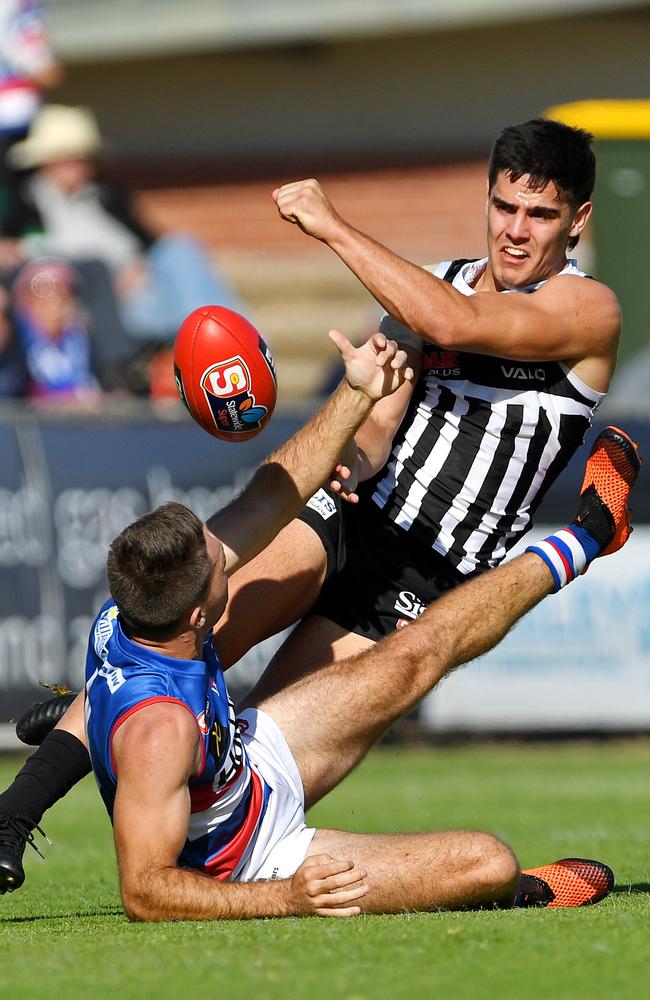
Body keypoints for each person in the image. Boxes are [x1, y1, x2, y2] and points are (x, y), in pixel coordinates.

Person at [3, 421, 639, 917]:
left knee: (410, 656)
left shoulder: (124, 621)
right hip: (253, 862)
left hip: (247, 768)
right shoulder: (162, 728)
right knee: (488, 863)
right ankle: (522, 892)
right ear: (198, 614)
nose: (231, 560)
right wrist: (287, 897)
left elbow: (263, 501)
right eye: (219, 567)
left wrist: (357, 392)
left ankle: (587, 534)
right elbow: (146, 891)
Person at [1, 103, 246, 344]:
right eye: (68, 158)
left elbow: (152, 243)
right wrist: (110, 284)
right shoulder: (25, 204)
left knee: (181, 248)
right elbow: (33, 261)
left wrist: (140, 268)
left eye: (82, 158)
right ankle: (220, 342)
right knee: (187, 302)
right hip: (104, 305)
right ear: (46, 162)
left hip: (149, 285)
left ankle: (233, 338)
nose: (78, 166)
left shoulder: (107, 197)